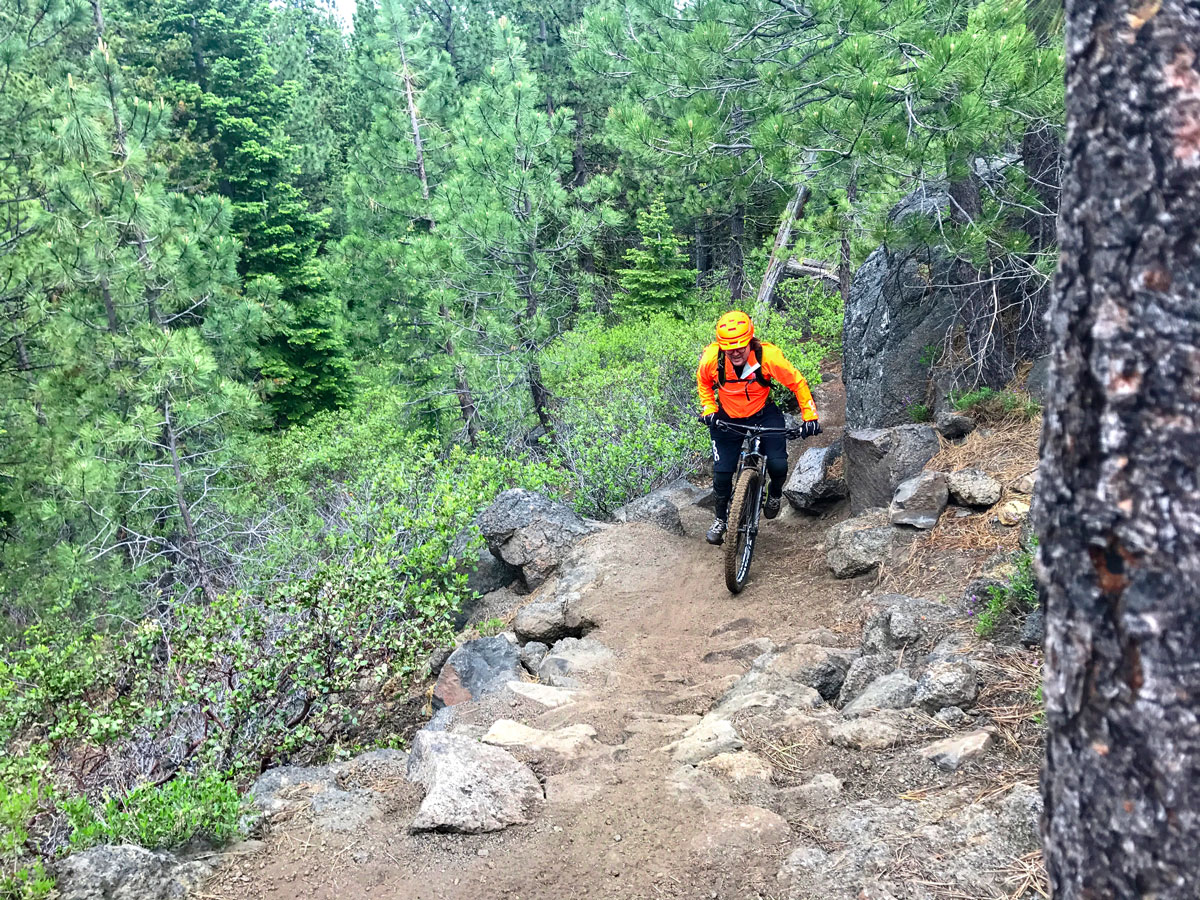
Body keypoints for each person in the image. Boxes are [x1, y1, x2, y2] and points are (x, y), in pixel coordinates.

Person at [696, 310, 821, 545]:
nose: (735, 352)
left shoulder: (768, 356)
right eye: (729, 348)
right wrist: (709, 408)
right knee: (722, 474)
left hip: (764, 415)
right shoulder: (713, 359)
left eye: (740, 347)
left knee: (778, 464)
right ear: (721, 346)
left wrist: (810, 416)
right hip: (728, 418)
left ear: (750, 341)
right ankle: (721, 519)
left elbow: (797, 382)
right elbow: (703, 382)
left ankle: (773, 494)